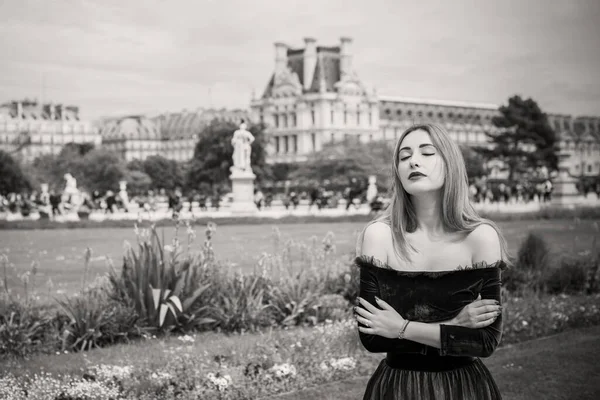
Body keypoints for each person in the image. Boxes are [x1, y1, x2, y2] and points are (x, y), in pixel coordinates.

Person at [353, 123, 510, 400]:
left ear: (450, 163)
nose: (413, 161)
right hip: (397, 389)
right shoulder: (379, 235)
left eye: (427, 153)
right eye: (404, 156)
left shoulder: (481, 237)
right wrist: (455, 325)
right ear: (398, 172)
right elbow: (372, 338)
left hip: (463, 389)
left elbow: (484, 342)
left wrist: (400, 328)